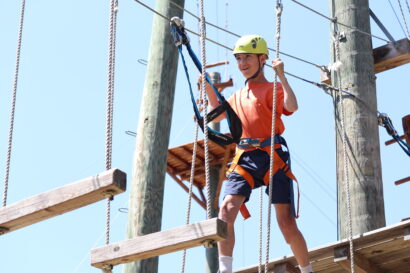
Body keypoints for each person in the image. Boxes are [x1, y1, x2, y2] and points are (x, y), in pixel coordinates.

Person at [202, 35, 313, 273]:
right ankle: (225, 268)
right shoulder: (238, 96)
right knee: (226, 210)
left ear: (262, 59)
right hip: (245, 157)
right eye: (239, 59)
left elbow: (292, 106)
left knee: (286, 223)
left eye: (247, 58)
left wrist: (281, 75)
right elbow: (216, 115)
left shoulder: (271, 89)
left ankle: (307, 270)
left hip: (272, 155)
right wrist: (208, 88)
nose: (242, 63)